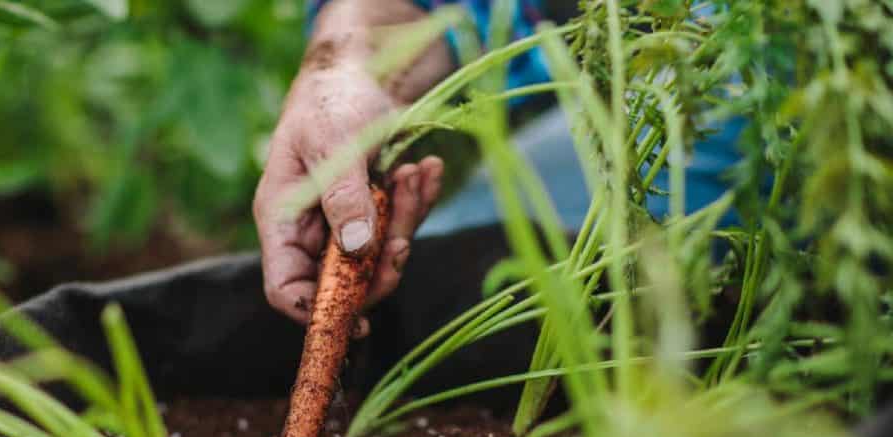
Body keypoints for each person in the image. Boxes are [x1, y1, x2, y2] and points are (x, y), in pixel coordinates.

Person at [253, 0, 740, 334]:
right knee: (439, 265)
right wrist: (348, 61)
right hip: (693, 46)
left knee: (678, 288)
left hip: (761, 71)